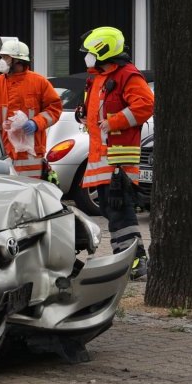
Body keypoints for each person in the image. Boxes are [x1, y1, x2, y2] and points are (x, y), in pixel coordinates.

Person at [78, 26, 154, 279]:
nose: (87, 56)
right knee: (113, 212)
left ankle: (136, 261)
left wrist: (115, 121)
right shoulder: (98, 76)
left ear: (104, 51)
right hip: (102, 158)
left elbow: (145, 106)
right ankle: (129, 259)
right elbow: (95, 108)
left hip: (119, 158)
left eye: (90, 52)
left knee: (121, 210)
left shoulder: (128, 76)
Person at [0, 39, 63, 180]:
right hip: (5, 154)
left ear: (17, 60)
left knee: (30, 194)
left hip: (31, 154)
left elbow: (54, 108)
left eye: (5, 57)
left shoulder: (39, 82)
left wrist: (36, 123)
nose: (2, 61)